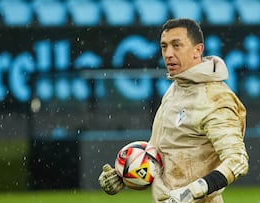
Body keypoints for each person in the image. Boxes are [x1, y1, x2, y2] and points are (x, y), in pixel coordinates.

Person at [98, 18, 249, 203]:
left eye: (177, 45)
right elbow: (160, 154)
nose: (168, 53)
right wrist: (125, 174)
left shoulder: (215, 99)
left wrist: (192, 191)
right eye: (164, 46)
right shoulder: (175, 89)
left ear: (198, 50)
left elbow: (238, 161)